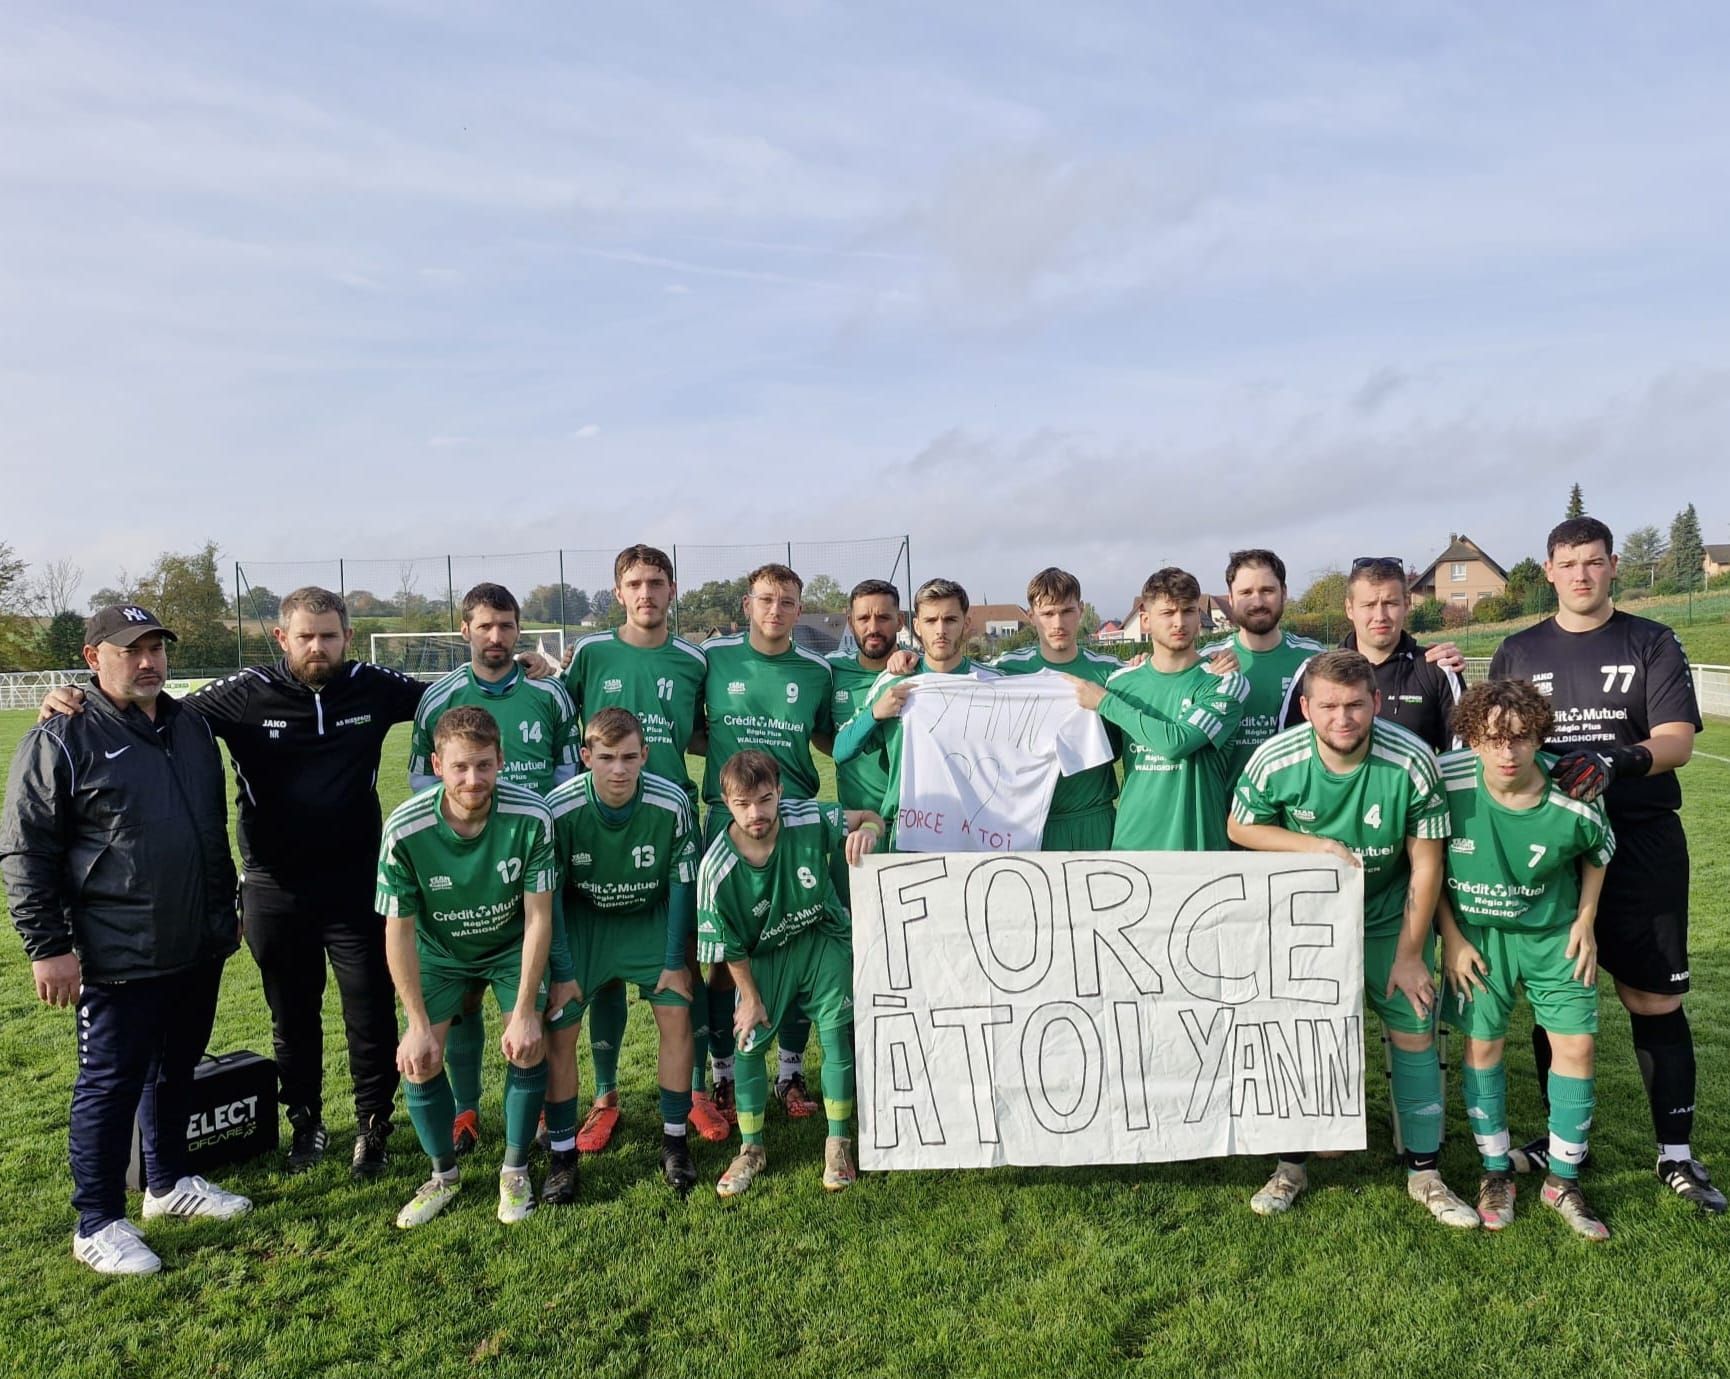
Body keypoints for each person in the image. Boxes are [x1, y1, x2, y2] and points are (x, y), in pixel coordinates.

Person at [36, 586, 555, 1177]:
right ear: (282, 638)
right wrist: (79, 694)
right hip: (274, 885)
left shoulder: (371, 684)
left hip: (357, 881)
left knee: (371, 1011)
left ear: (347, 638)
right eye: (305, 636)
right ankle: (306, 1123)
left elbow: (453, 697)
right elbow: (157, 706)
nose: (318, 647)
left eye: (329, 635)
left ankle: (372, 1127)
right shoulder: (243, 695)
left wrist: (523, 663)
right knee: (293, 1014)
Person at [2, 605, 251, 1275]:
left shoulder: (191, 725)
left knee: (176, 1069)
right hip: (116, 951)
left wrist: (224, 909)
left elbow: (207, 828)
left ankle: (167, 1184)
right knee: (108, 1085)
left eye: (156, 648)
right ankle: (96, 1220)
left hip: (196, 940)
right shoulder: (61, 736)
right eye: (130, 649)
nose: (148, 661)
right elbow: (26, 851)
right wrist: (46, 944)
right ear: (92, 657)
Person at [1489, 517, 1719, 1211]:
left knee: (1654, 998)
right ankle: (1563, 1142)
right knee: (1557, 995)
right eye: (1568, 563)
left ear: (1613, 565)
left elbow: (1677, 737)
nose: (1581, 573)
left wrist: (1618, 758)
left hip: (1642, 838)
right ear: (1550, 570)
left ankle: (1675, 1153)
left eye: (1593, 561)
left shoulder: (1650, 640)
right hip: (1552, 847)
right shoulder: (1518, 648)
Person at [1229, 649, 1477, 1228]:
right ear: (1306, 707)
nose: (1344, 718)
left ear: (1377, 703)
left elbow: (1425, 863)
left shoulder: (1412, 760)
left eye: (1356, 705)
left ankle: (1426, 1173)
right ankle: (1291, 1165)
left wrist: (1413, 955)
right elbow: (1241, 825)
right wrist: (1311, 846)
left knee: (1414, 1034)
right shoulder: (1276, 759)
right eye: (1330, 706)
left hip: (1390, 918)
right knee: (1299, 1041)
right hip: (1306, 923)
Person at [1437, 679, 1613, 1239]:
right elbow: (1426, 863)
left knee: (1577, 1045)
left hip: (1552, 935)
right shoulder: (1448, 780)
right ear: (1471, 738)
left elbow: (1597, 854)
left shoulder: (1575, 793)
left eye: (1519, 739)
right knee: (1482, 1045)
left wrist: (1585, 921)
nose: (1506, 753)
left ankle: (1563, 1178)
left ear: (1539, 737)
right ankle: (1495, 1172)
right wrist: (1452, 938)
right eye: (1491, 740)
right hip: (1478, 939)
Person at [408, 583, 577, 1162]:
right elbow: (424, 788)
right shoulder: (438, 699)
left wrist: (532, 833)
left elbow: (565, 779)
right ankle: (466, 1106)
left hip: (534, 862)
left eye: (506, 626)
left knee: (542, 994)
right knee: (462, 1003)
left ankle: (534, 1120)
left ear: (519, 629)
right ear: (465, 630)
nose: (497, 637)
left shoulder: (549, 695)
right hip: (466, 870)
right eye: (485, 626)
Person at [375, 707, 557, 1228]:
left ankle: (515, 1168)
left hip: (508, 947)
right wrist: (413, 1023)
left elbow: (539, 918)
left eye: (483, 765)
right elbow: (399, 930)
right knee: (420, 1058)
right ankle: (442, 1176)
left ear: (501, 761)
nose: (472, 779)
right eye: (459, 767)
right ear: (436, 764)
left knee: (528, 1043)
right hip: (441, 953)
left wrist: (524, 1010)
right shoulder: (405, 829)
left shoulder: (531, 817)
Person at [561, 545, 716, 1146]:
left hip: (672, 819)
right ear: (618, 592)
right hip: (603, 824)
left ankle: (696, 1091)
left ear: (672, 590)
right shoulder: (593, 654)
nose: (646, 592)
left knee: (687, 961)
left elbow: (703, 731)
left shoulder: (693, 661)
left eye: (656, 582)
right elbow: (564, 722)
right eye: (634, 583)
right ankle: (604, 1097)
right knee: (601, 970)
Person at [695, 751, 881, 1197]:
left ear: (779, 792)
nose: (755, 814)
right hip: (762, 955)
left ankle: (838, 1142)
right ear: (725, 802)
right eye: (743, 804)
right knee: (748, 1041)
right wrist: (751, 998)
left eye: (764, 799)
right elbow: (728, 946)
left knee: (837, 1033)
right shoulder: (715, 868)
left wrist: (869, 833)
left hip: (821, 938)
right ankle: (751, 1148)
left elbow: (870, 817)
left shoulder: (808, 817)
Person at [541, 709, 702, 1201]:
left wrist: (675, 961)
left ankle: (675, 1141)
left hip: (647, 920)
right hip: (585, 923)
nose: (618, 769)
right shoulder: (560, 807)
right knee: (560, 1027)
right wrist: (564, 971)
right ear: (585, 756)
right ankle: (563, 1155)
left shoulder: (671, 802)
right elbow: (551, 894)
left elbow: (680, 884)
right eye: (606, 757)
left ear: (644, 756)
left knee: (676, 1018)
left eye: (629, 757)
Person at [697, 564, 838, 1122]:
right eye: (765, 599)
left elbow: (828, 734)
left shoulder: (818, 670)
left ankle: (789, 1072)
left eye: (786, 601)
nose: (775, 609)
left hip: (795, 823)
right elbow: (689, 725)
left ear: (799, 610)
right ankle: (723, 1074)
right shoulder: (713, 658)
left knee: (795, 944)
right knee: (719, 958)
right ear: (747, 604)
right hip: (726, 819)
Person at [1068, 568, 1250, 851]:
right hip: (1132, 847)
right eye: (1167, 613)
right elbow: (1098, 757)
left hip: (1199, 848)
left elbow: (1176, 743)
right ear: (1146, 620)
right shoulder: (1121, 683)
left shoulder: (1225, 681)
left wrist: (1106, 702)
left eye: (1188, 611)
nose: (1179, 622)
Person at [831, 577, 1000, 851]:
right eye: (931, 621)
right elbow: (841, 751)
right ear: (916, 626)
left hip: (974, 830)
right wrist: (875, 713)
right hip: (909, 831)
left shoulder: (993, 684)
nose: (940, 630)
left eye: (950, 620)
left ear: (966, 624)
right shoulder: (892, 682)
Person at [994, 567, 1126, 849]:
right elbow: (954, 676)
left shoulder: (1110, 672)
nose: (1058, 623)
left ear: (1081, 610)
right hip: (1027, 822)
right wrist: (908, 661)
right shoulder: (1007, 669)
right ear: (1031, 616)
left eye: (1067, 611)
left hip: (1093, 817)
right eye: (1048, 614)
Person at [1277, 557, 1462, 752]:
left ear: (1406, 605)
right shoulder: (1314, 672)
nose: (1380, 616)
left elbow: (1460, 758)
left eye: (1390, 603)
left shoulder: (1438, 669)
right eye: (1369, 605)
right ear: (1350, 609)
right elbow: (1286, 754)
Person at [1202, 549, 1326, 784]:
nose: (1257, 602)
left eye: (1267, 590)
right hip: (1223, 811)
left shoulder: (1315, 659)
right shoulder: (1206, 662)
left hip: (1296, 810)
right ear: (1230, 599)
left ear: (1284, 593)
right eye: (1246, 592)